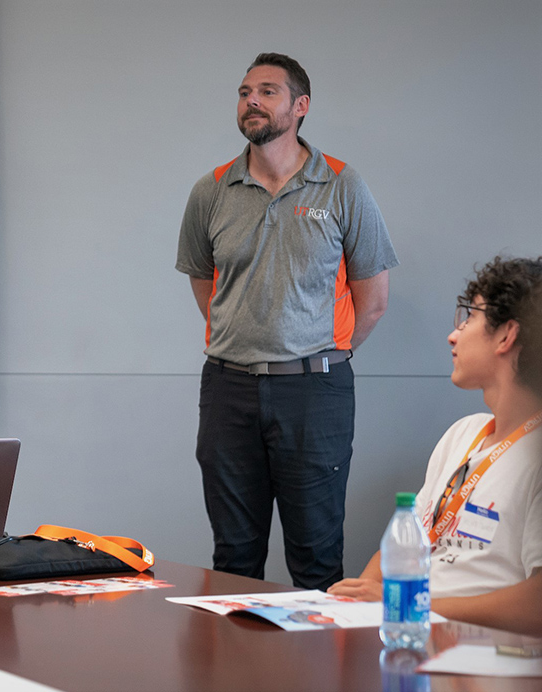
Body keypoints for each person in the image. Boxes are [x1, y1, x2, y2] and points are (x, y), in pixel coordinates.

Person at [175, 52, 399, 590]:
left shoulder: (343, 184)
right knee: (233, 556)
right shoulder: (212, 189)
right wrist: (247, 335)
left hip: (316, 392)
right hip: (228, 390)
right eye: (244, 91)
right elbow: (206, 284)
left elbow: (372, 299)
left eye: (267, 91)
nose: (251, 99)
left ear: (300, 106)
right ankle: (234, 673)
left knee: (317, 559)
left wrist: (315, 352)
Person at [329, 257, 542, 637]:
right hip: (413, 636)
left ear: (507, 335)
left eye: (468, 318)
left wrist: (409, 606)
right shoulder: (463, 434)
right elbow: (412, 543)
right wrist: (351, 613)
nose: (453, 335)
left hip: (480, 657)